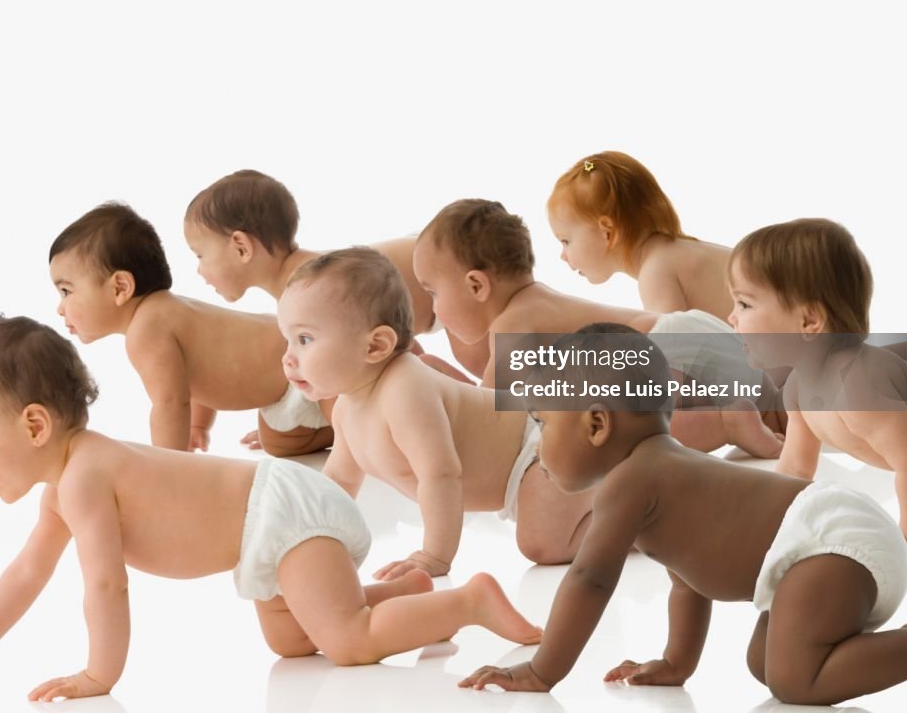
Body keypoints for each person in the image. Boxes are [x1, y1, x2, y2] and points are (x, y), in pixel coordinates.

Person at [0, 316, 542, 702]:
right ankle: (410, 597)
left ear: (35, 424)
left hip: (283, 516)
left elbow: (105, 582)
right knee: (293, 641)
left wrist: (100, 673)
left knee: (345, 643)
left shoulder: (85, 479)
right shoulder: (64, 485)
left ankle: (468, 602)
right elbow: (26, 572)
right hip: (262, 539)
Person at [461, 324, 907, 706]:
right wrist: (678, 662)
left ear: (597, 425)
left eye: (541, 423)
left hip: (829, 541)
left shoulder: (632, 481)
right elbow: (688, 579)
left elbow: (589, 580)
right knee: (766, 665)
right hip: (826, 537)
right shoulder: (662, 472)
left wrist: (542, 672)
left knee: (795, 678)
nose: (537, 445)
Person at [277, 247, 594, 573]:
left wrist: (435, 556)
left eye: (304, 339)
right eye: (286, 339)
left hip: (543, 442)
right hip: (525, 472)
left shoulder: (404, 388)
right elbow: (339, 482)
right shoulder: (347, 408)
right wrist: (309, 537)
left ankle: (629, 509)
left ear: (375, 346)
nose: (288, 357)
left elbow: (440, 474)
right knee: (541, 528)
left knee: (542, 541)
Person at [414, 198, 785, 457]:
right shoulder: (537, 301)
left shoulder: (511, 325)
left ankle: (729, 424)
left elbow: (489, 413)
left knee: (633, 437)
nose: (432, 308)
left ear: (477, 285)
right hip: (691, 333)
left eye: (432, 292)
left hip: (660, 352)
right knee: (772, 408)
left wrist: (430, 375)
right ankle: (773, 421)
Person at [50, 202, 331, 456]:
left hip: (303, 358)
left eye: (65, 291)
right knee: (279, 444)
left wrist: (169, 467)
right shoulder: (162, 314)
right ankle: (331, 428)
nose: (60, 308)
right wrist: (197, 425)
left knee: (347, 427)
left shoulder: (146, 330)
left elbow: (170, 403)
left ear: (120, 287)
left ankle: (350, 428)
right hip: (282, 384)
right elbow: (196, 373)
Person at [184, 169, 487, 381]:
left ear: (241, 247)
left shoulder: (313, 285)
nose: (199, 270)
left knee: (487, 360)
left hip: (448, 264)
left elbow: (396, 353)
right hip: (425, 279)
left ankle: (499, 414)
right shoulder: (298, 291)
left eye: (200, 255)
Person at [728, 217, 907, 534]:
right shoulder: (797, 388)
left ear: (809, 321)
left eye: (744, 303)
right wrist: (758, 526)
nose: (731, 317)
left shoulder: (857, 385)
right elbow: (795, 470)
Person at [547, 151, 733, 321]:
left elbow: (671, 351)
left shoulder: (655, 272)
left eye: (566, 241)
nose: (562, 256)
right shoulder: (673, 252)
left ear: (607, 232)